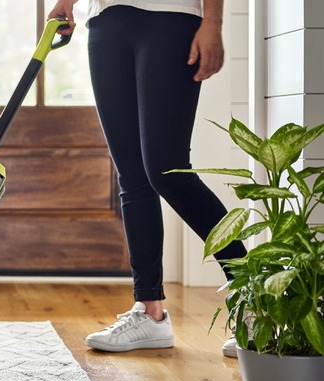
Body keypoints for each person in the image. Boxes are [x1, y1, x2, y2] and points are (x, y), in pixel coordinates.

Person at [47, 0, 247, 356]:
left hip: (169, 16)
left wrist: (213, 23)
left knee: (167, 172)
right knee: (132, 176)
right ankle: (150, 311)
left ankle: (255, 295)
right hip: (105, 20)